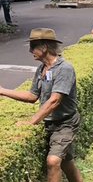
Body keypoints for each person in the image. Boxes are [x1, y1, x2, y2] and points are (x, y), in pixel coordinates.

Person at [0, 29, 83, 182]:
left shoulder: (64, 69)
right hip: (50, 124)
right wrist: (4, 91)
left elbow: (54, 101)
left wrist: (31, 122)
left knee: (53, 161)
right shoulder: (42, 69)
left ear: (44, 47)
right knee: (66, 162)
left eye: (33, 47)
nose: (30, 51)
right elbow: (32, 96)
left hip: (66, 124)